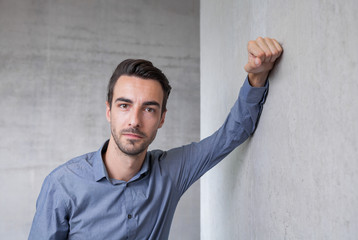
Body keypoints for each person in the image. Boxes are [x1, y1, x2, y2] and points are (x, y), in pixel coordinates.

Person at [28, 37, 282, 240]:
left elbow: (232, 134)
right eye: (124, 105)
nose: (135, 120)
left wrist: (256, 78)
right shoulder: (62, 185)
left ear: (161, 118)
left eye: (149, 109)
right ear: (109, 111)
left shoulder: (171, 171)